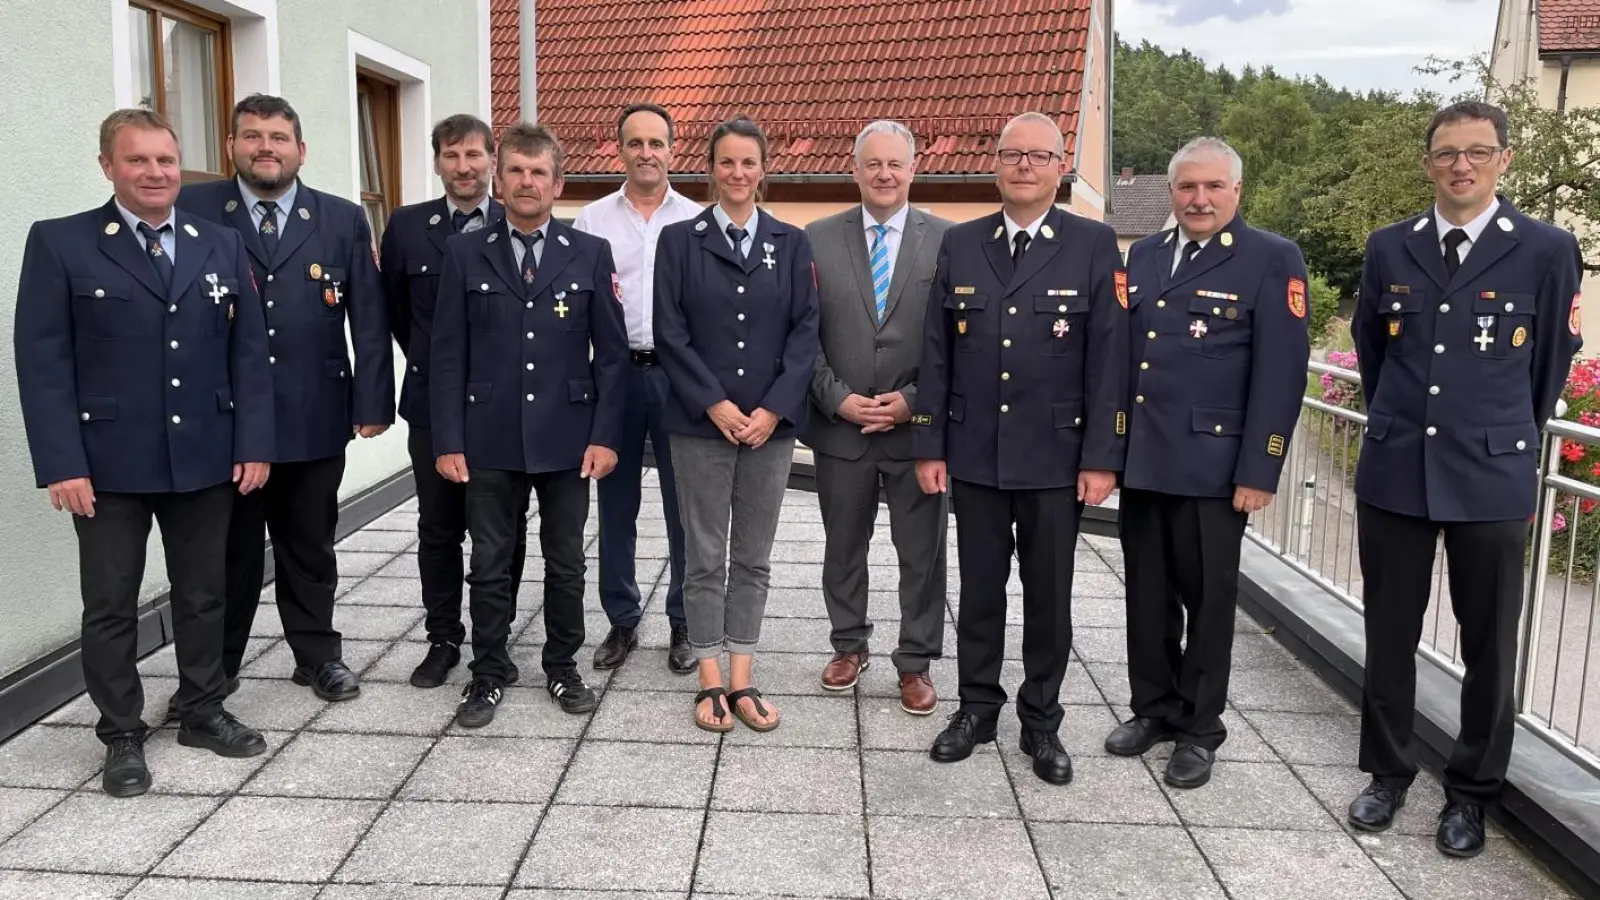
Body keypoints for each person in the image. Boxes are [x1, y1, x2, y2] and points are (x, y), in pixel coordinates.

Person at [14, 108, 275, 796]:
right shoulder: (61, 243)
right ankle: (121, 734)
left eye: (165, 159)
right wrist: (62, 461)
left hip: (204, 455)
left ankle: (200, 708)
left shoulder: (219, 243)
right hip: (107, 465)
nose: (155, 173)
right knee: (110, 604)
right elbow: (42, 362)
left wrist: (253, 441)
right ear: (108, 167)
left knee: (202, 594)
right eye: (138, 161)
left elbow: (247, 352)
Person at [1345, 101, 1581, 858]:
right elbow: (1374, 356)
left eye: (1478, 151)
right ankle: (1387, 773)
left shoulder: (1546, 249)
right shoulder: (1389, 247)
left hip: (1489, 474)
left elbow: (1546, 370)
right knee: (1389, 635)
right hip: (1396, 471)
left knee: (1490, 647)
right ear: (1428, 163)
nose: (1461, 165)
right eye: (1447, 152)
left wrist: (1501, 435)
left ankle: (1471, 795)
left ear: (1504, 160)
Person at [912, 111, 1128, 785]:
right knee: (979, 593)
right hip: (975, 452)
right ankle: (976, 709)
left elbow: (1110, 359)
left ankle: (1042, 721)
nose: (1024, 166)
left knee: (1048, 597)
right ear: (996, 165)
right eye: (1012, 156)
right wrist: (930, 443)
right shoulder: (963, 243)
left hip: (1055, 459)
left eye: (1038, 156)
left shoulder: (1094, 245)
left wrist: (1101, 456)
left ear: (1060, 168)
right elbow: (937, 351)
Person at [1107, 136, 1310, 789]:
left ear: (1236, 192)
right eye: (1187, 187)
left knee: (1209, 603)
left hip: (1216, 469)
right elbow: (1124, 361)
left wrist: (1262, 468)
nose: (1199, 199)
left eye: (1212, 187)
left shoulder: (1271, 260)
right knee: (1147, 597)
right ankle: (1154, 710)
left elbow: (1282, 375)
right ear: (1171, 193)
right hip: (1145, 461)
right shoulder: (1144, 254)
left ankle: (1200, 729)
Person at [177, 94, 394, 702]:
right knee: (228, 553)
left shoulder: (343, 218)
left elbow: (368, 318)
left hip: (312, 411)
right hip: (224, 416)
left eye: (277, 137)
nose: (264, 147)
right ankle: (214, 670)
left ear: (301, 150)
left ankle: (317, 656)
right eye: (252, 136)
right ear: (231, 148)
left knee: (309, 544)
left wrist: (373, 402)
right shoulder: (194, 209)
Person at [430, 121, 628, 727]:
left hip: (568, 439)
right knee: (490, 561)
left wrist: (604, 436)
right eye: (515, 169)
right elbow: (446, 353)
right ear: (499, 174)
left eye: (538, 172)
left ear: (557, 183)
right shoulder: (466, 251)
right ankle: (487, 672)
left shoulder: (589, 253)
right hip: (487, 437)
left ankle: (561, 666)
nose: (526, 181)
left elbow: (613, 355)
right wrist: (448, 439)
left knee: (566, 562)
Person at [654, 114, 820, 733]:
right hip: (701, 426)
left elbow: (806, 334)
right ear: (710, 167)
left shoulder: (790, 242)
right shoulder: (679, 240)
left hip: (769, 430)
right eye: (727, 162)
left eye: (748, 162)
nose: (738, 173)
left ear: (763, 170)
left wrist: (773, 409)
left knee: (753, 557)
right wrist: (715, 404)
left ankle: (744, 676)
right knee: (703, 555)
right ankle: (709, 679)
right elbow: (669, 333)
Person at [805, 119, 953, 714]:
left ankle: (915, 661)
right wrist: (834, 396)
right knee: (843, 546)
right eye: (874, 164)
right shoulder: (815, 238)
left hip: (915, 430)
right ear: (855, 169)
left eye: (896, 164)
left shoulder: (948, 241)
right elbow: (800, 335)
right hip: (840, 425)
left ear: (913, 169)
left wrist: (914, 402)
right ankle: (849, 645)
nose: (885, 174)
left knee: (922, 552)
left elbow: (956, 339)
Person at [380, 113, 530, 689]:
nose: (463, 168)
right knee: (439, 528)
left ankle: (499, 629)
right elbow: (398, 314)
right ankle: (443, 638)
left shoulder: (516, 219)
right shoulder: (409, 228)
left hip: (502, 407)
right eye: (451, 156)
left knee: (505, 527)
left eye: (473, 155)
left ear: (492, 158)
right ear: (437, 161)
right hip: (432, 406)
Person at [573, 103, 702, 674]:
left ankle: (683, 620)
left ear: (674, 149)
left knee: (685, 506)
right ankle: (622, 619)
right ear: (618, 149)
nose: (646, 152)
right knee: (615, 502)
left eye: (657, 142)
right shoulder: (592, 221)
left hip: (680, 377)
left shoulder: (698, 219)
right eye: (635, 142)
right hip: (615, 375)